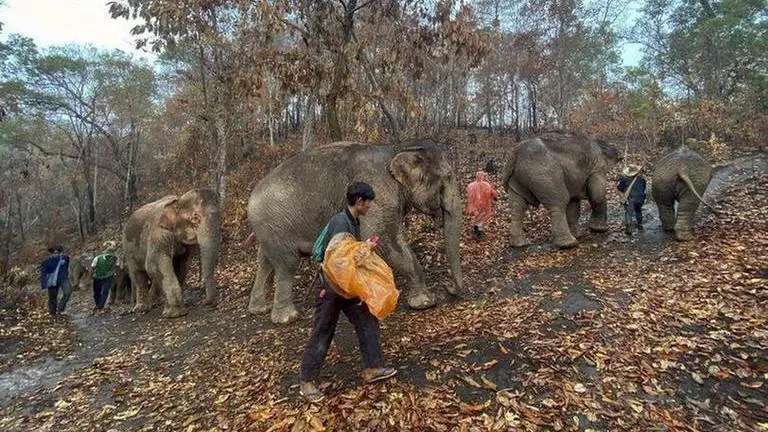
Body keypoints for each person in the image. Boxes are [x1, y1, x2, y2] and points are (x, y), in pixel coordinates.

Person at [298, 182, 397, 403]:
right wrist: (366, 249)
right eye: (369, 202)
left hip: (347, 286)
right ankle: (307, 381)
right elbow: (339, 263)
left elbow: (348, 256)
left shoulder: (352, 220)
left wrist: (365, 246)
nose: (371, 206)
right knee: (323, 331)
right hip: (332, 288)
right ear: (360, 202)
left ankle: (373, 367)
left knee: (367, 320)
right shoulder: (341, 223)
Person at [39, 245, 71, 317]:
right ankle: (52, 313)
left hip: (63, 278)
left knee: (68, 292)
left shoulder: (65, 258)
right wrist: (43, 284)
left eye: (57, 252)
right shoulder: (46, 262)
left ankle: (61, 308)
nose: (56, 254)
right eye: (54, 253)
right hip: (52, 281)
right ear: (51, 253)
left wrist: (66, 274)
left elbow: (67, 265)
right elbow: (43, 273)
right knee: (52, 297)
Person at [465, 170, 498, 240]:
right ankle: (479, 233)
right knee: (481, 218)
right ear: (482, 176)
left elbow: (468, 194)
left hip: (474, 205)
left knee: (477, 217)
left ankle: (476, 230)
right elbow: (492, 192)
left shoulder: (471, 185)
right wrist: (495, 197)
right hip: (484, 205)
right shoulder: (486, 184)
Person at [90, 241, 119, 315]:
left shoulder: (115, 258)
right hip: (97, 277)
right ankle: (98, 305)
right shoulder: (97, 258)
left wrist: (115, 273)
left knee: (105, 291)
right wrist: (90, 276)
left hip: (108, 277)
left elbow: (118, 267)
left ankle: (100, 306)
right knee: (96, 293)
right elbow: (92, 268)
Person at [617, 164, 647, 235]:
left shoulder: (624, 179)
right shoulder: (642, 179)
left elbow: (619, 188)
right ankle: (640, 224)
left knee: (628, 213)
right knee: (638, 210)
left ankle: (629, 229)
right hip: (640, 198)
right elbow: (644, 188)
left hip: (630, 199)